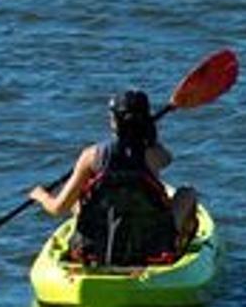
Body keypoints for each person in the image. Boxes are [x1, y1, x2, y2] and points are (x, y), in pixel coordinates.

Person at [29, 89, 201, 266]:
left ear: (114, 121)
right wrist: (149, 134)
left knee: (77, 199)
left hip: (96, 250)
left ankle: (88, 248)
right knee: (188, 193)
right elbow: (167, 158)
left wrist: (41, 196)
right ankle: (176, 249)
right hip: (151, 248)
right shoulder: (154, 154)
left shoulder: (91, 156)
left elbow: (58, 209)